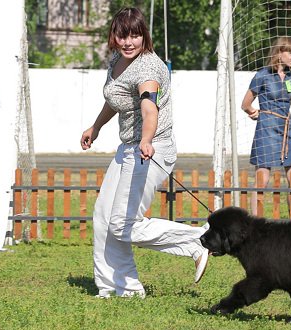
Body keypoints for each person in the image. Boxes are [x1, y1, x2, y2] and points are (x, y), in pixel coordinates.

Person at [80, 7, 209, 298]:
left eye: (134, 35)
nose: (128, 42)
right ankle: (119, 288)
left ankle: (198, 241)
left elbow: (149, 107)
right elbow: (116, 100)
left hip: (150, 150)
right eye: (122, 35)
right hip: (128, 148)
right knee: (103, 218)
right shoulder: (118, 60)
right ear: (113, 36)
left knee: (125, 224)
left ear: (144, 36)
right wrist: (96, 127)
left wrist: (147, 139)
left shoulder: (148, 69)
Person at [241, 37, 291, 215]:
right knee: (262, 179)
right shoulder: (262, 75)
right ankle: (256, 222)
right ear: (279, 53)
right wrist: (254, 112)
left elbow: (288, 102)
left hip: (286, 128)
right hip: (266, 129)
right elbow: (245, 104)